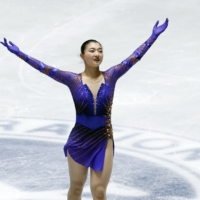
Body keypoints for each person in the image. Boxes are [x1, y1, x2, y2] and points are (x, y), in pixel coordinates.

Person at [1, 18, 168, 200]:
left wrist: (153, 37)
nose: (97, 54)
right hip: (79, 138)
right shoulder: (72, 80)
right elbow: (44, 68)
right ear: (82, 56)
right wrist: (19, 54)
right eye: (92, 50)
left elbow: (134, 57)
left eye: (100, 50)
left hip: (103, 139)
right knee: (76, 188)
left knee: (99, 191)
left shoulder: (112, 75)